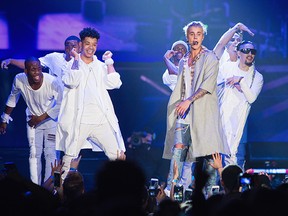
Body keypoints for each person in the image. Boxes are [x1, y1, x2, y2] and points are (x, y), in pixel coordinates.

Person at [162, 20, 230, 198]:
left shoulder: (210, 58)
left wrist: (188, 101)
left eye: (198, 34)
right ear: (187, 37)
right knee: (178, 150)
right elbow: (179, 83)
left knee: (209, 155)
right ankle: (173, 192)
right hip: (184, 114)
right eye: (192, 34)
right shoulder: (184, 60)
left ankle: (209, 197)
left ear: (203, 36)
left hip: (204, 113)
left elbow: (207, 85)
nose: (195, 37)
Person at [56, 27, 126, 179]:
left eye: (94, 44)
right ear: (80, 45)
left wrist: (109, 62)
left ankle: (123, 191)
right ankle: (58, 193)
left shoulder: (101, 66)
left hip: (101, 121)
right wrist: (75, 59)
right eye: (87, 43)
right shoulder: (69, 65)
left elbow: (115, 83)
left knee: (119, 156)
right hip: (79, 122)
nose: (91, 48)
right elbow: (72, 81)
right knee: (69, 159)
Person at [0, 57, 63, 185]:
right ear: (26, 71)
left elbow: (61, 104)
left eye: (39, 68)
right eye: (33, 69)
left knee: (51, 154)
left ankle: (53, 188)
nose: (37, 73)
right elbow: (13, 98)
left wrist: (40, 118)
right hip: (32, 121)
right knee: (34, 154)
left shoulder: (52, 82)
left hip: (51, 121)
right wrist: (4, 119)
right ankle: (37, 189)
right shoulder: (19, 79)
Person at [217, 40, 264, 167]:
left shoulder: (257, 77)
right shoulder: (227, 67)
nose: (250, 54)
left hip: (237, 124)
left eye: (252, 51)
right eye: (245, 50)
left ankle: (230, 187)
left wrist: (241, 81)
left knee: (233, 159)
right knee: (212, 160)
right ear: (238, 53)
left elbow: (252, 98)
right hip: (219, 120)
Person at [1, 35, 81, 87]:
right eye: (67, 45)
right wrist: (11, 61)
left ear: (79, 48)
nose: (70, 48)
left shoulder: (84, 61)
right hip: (55, 102)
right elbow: (31, 64)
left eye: (74, 46)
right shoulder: (54, 57)